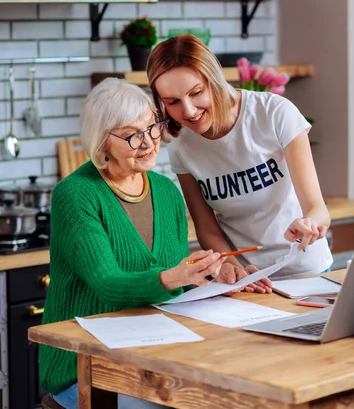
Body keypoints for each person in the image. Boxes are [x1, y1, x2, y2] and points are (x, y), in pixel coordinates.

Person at [39, 78, 224, 409]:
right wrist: (176, 277)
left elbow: (172, 288)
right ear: (102, 143)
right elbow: (107, 283)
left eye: (152, 128)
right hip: (87, 365)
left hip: (155, 354)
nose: (149, 143)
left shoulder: (166, 192)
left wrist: (207, 275)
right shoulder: (76, 194)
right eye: (131, 135)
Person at [147, 34, 333, 291]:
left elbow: (317, 208)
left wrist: (310, 224)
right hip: (247, 279)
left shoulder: (274, 113)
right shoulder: (181, 144)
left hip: (305, 271)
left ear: (214, 81)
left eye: (196, 93)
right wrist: (231, 266)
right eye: (173, 102)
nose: (188, 111)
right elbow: (206, 226)